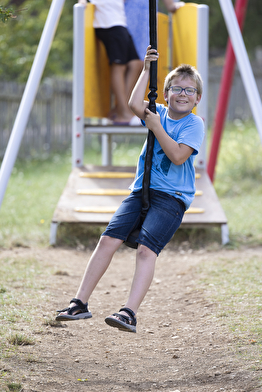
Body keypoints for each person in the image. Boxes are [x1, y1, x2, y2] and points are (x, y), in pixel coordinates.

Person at [56, 46, 204, 333]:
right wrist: (147, 68)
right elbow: (135, 104)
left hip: (172, 199)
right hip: (141, 190)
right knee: (108, 239)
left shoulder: (194, 124)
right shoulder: (157, 111)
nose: (183, 94)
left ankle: (128, 313)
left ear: (198, 98)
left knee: (146, 251)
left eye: (189, 90)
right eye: (176, 88)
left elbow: (178, 156)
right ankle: (79, 303)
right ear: (165, 94)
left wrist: (156, 127)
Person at [78, 0, 142, 125]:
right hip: (108, 25)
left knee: (136, 64)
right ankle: (124, 113)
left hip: (120, 23)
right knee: (119, 67)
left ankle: (121, 109)